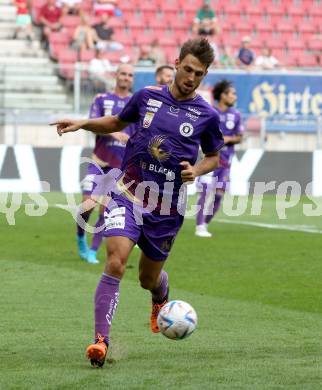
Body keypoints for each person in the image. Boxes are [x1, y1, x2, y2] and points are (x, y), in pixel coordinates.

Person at [52, 38, 224, 368]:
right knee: (116, 260)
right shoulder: (146, 97)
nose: (190, 77)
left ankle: (160, 296)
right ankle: (100, 340)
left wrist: (197, 169)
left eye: (198, 74)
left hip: (167, 209)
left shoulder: (207, 115)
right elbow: (116, 123)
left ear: (204, 76)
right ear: (175, 63)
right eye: (187, 69)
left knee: (148, 278)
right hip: (128, 193)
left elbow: (214, 157)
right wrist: (83, 123)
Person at [77, 63, 135, 264]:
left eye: (130, 75)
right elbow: (92, 125)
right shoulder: (102, 99)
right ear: (116, 76)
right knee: (88, 204)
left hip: (119, 167)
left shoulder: (135, 103)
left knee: (106, 209)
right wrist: (113, 132)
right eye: (123, 73)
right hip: (99, 161)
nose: (126, 77)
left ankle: (93, 250)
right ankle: (80, 237)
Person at [195, 80, 243, 237]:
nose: (235, 96)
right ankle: (199, 226)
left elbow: (239, 137)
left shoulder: (236, 115)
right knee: (206, 191)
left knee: (218, 195)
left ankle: (205, 224)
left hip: (225, 162)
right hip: (209, 159)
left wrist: (228, 139)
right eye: (232, 93)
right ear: (223, 96)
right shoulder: (210, 112)